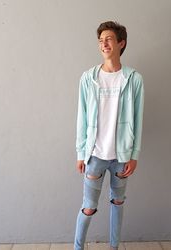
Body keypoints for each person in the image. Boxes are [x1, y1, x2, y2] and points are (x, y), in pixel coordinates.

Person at [74, 21, 144, 250]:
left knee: (118, 203)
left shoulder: (133, 79)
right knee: (88, 207)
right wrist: (80, 152)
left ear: (121, 43)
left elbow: (138, 118)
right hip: (94, 155)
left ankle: (114, 247)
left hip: (121, 157)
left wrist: (134, 154)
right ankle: (77, 247)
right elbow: (82, 118)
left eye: (109, 39)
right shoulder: (88, 78)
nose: (103, 43)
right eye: (100, 40)